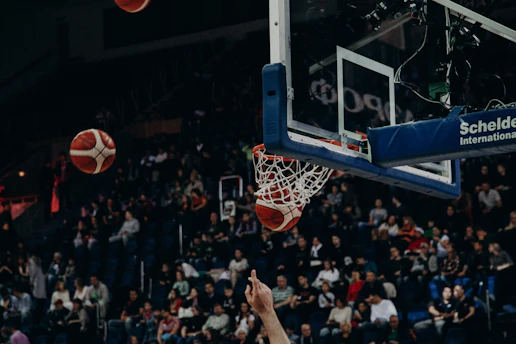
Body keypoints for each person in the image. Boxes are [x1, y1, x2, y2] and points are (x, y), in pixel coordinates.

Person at [245, 270, 290, 344]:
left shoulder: (289, 289)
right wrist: (266, 311)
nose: (280, 282)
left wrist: (266, 310)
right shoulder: (275, 290)